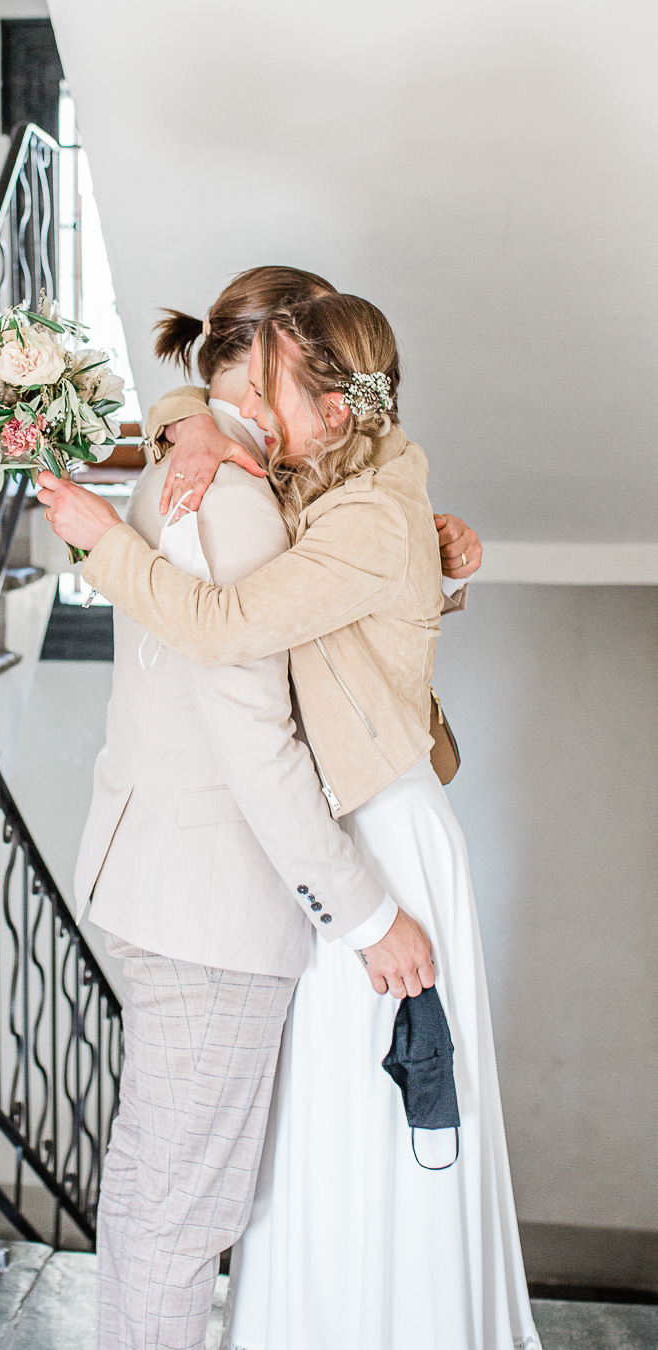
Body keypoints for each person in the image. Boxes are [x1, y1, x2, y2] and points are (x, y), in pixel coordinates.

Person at [38, 288, 540, 1349]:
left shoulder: (259, 475)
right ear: (263, 356)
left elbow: (329, 583)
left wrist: (425, 567)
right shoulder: (228, 490)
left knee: (199, 1197)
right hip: (220, 897)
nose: (340, 425)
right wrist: (362, 916)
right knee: (180, 1214)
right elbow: (258, 737)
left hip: (219, 874)